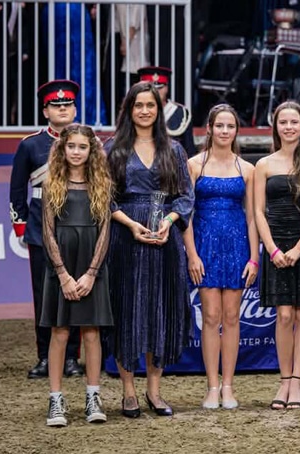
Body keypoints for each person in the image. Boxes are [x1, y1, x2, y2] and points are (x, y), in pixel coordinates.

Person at [105, 81, 194, 418]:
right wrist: (129, 224)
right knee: (127, 309)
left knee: (160, 309)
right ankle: (128, 391)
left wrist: (169, 221)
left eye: (151, 105)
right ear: (129, 109)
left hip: (164, 239)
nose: (145, 110)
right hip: (125, 237)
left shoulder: (174, 150)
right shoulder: (113, 148)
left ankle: (154, 391)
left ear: (159, 110)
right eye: (138, 105)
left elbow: (186, 196)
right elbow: (105, 198)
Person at [183, 104, 258, 410]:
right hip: (205, 247)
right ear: (209, 129)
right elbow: (184, 215)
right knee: (211, 317)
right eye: (220, 126)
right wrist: (192, 255)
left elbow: (252, 217)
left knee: (232, 317)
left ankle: (229, 386)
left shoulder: (247, 169)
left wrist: (254, 257)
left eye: (230, 126)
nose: (225, 131)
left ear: (236, 131)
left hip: (237, 246)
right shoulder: (193, 165)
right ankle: (212, 386)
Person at [40, 124, 114, 427]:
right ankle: (56, 400)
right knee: (59, 331)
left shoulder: (102, 184)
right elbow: (47, 231)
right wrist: (64, 275)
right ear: (62, 148)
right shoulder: (51, 184)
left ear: (91, 150)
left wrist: (91, 274)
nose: (76, 152)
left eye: (82, 147)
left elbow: (106, 231)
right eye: (71, 146)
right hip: (62, 268)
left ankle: (93, 397)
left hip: (90, 267)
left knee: (91, 332)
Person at [10, 80, 84, 379]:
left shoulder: (87, 141)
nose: (62, 108)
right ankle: (44, 356)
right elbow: (17, 191)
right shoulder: (30, 144)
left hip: (80, 227)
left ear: (75, 108)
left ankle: (71, 359)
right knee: (44, 297)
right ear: (45, 111)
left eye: (67, 104)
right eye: (56, 105)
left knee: (78, 294)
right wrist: (22, 228)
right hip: (42, 229)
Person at [255, 101, 300, 410]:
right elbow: (257, 212)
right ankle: (284, 380)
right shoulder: (264, 165)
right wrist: (271, 248)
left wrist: (298, 249)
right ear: (276, 127)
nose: (288, 127)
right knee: (283, 315)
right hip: (276, 247)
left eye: (294, 122)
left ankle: (297, 382)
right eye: (283, 122)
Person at [137, 66, 197, 157]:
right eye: (150, 88)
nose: (155, 92)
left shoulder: (180, 114)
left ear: (167, 88)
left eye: (159, 87)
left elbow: (189, 150)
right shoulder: (135, 112)